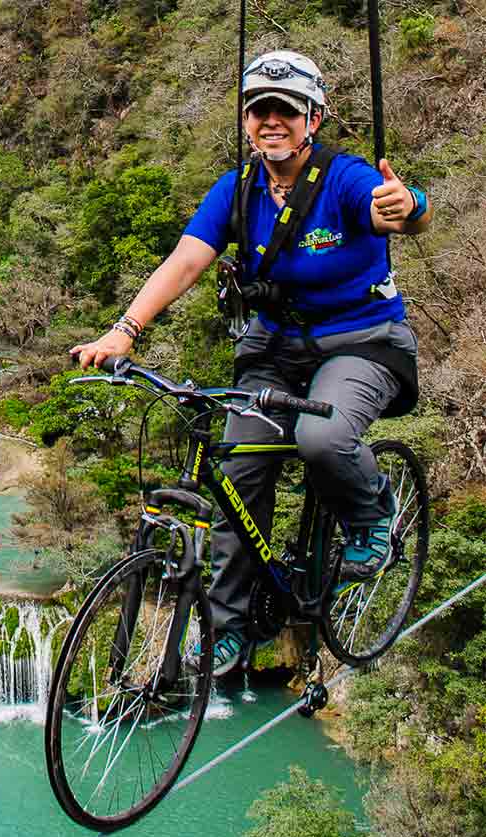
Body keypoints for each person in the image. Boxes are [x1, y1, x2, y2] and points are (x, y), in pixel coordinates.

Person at [70, 50, 432, 676]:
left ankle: (373, 514)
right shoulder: (237, 191)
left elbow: (395, 208)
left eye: (286, 111)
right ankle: (229, 631)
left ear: (314, 118)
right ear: (245, 119)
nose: (272, 121)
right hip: (274, 350)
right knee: (237, 474)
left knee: (322, 437)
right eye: (260, 109)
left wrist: (408, 206)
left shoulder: (342, 179)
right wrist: (124, 330)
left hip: (361, 342)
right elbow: (186, 261)